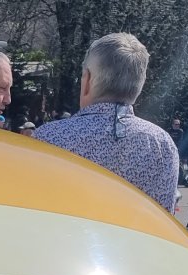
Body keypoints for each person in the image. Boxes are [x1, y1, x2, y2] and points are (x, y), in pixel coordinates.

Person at [33, 33, 180, 212]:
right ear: (139, 85)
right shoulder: (162, 145)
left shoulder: (47, 138)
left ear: (87, 80)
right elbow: (164, 219)